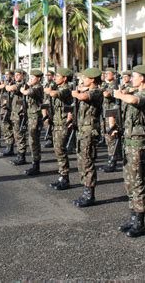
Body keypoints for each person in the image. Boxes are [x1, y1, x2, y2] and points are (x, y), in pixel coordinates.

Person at [114, 65, 145, 238]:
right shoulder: (133, 91)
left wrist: (120, 95)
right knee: (130, 182)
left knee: (138, 183)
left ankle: (139, 221)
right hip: (129, 143)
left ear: (143, 79)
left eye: (135, 76)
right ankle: (133, 218)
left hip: (140, 145)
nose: (132, 79)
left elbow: (134, 100)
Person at [71, 67, 103, 207]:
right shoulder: (88, 90)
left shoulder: (96, 92)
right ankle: (85, 191)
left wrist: (75, 93)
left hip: (89, 132)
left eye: (85, 78)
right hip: (82, 131)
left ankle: (90, 194)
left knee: (87, 162)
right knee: (82, 161)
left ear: (92, 79)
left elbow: (84, 96)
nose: (82, 80)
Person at [47, 67, 74, 190]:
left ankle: (65, 178)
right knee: (58, 150)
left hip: (63, 123)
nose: (55, 78)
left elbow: (54, 94)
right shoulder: (59, 87)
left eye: (58, 76)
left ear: (64, 78)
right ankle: (62, 176)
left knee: (61, 150)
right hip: (57, 123)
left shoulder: (66, 89)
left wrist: (49, 90)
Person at [21, 69, 44, 175]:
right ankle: (35, 163)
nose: (30, 79)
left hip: (35, 117)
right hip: (31, 116)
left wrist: (25, 87)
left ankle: (36, 165)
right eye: (30, 77)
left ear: (38, 79)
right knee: (32, 141)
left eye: (32, 78)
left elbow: (26, 92)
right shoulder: (33, 87)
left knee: (34, 141)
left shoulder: (38, 87)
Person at [7, 70, 27, 165]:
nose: (16, 76)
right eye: (15, 75)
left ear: (23, 76)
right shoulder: (16, 83)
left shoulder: (23, 84)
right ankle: (19, 154)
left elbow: (11, 88)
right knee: (16, 134)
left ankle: (21, 157)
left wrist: (7, 86)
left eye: (18, 75)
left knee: (20, 135)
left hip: (20, 114)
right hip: (15, 113)